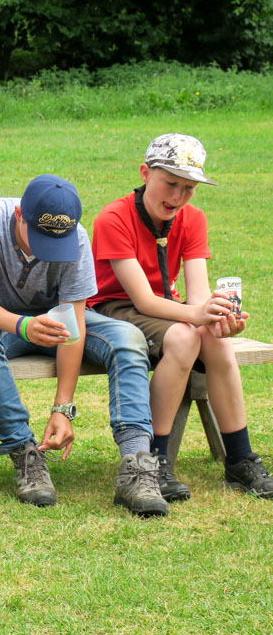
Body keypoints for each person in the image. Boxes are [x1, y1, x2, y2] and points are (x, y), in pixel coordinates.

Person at [0, 175, 164, 516]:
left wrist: (62, 409)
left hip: (56, 323)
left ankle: (138, 465)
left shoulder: (75, 237)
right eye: (41, 238)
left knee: (129, 338)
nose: (48, 251)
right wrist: (24, 326)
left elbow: (73, 323)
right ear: (20, 215)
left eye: (57, 242)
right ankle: (25, 452)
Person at [90, 134, 272, 500]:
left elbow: (199, 295)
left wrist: (217, 318)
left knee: (216, 340)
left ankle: (240, 459)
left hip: (167, 308)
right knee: (185, 337)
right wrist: (196, 315)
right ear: (145, 173)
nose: (178, 196)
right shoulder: (114, 218)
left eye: (189, 188)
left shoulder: (193, 219)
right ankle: (155, 461)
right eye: (170, 183)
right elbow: (142, 300)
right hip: (115, 308)